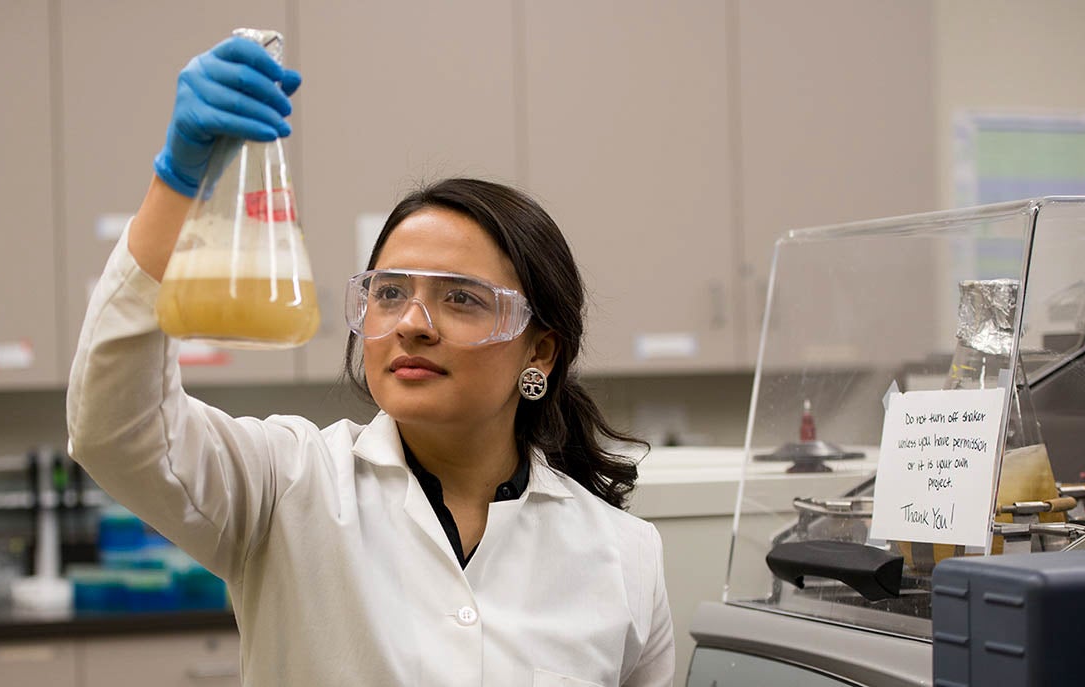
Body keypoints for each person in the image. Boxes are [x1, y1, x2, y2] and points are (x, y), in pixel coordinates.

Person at [67, 34, 674, 686]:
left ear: (541, 349)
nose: (412, 323)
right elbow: (116, 429)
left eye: (461, 298)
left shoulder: (623, 558)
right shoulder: (286, 487)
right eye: (389, 292)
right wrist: (176, 181)